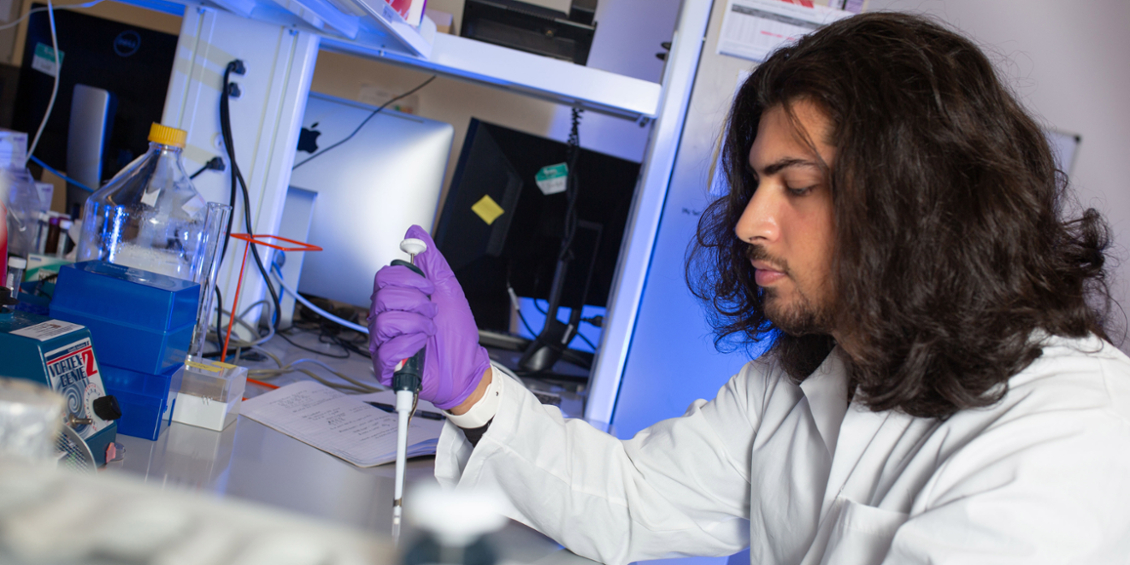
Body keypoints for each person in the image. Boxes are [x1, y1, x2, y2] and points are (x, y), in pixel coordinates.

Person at [368, 12, 1130, 565]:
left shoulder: (1070, 434)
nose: (749, 223)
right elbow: (633, 500)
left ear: (918, 203)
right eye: (756, 183)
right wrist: (472, 390)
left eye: (796, 186)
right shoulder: (814, 370)